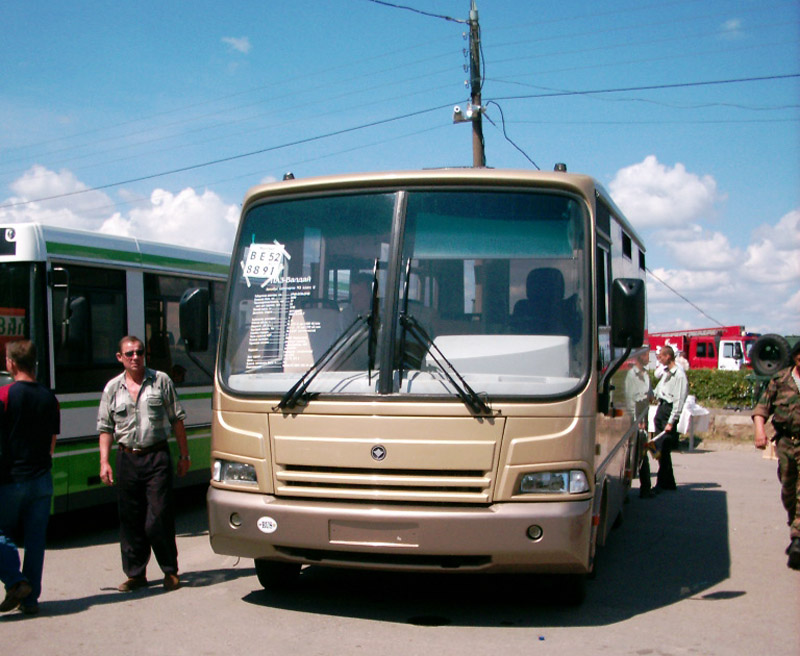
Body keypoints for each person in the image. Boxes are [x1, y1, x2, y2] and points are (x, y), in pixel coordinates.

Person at [97, 336, 190, 592]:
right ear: (120, 358)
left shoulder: (161, 381)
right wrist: (104, 461)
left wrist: (184, 455)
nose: (135, 357)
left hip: (157, 456)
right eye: (129, 354)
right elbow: (105, 428)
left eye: (139, 352)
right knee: (130, 519)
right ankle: (136, 574)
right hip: (127, 457)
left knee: (158, 517)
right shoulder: (112, 389)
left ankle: (170, 571)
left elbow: (177, 420)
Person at [0, 340, 60, 616]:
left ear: (11, 363)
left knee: (2, 533)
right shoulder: (50, 398)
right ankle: (30, 599)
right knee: (35, 541)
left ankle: (15, 580)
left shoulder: (4, 395)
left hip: (11, 478)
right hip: (42, 479)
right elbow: (51, 442)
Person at [752, 340, 800, 570]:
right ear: (796, 358)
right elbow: (762, 409)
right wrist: (760, 431)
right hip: (787, 442)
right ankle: (794, 523)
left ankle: (798, 538)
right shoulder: (780, 380)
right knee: (789, 487)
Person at [650, 345, 688, 492]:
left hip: (669, 411)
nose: (659, 359)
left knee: (663, 449)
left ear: (668, 357)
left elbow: (679, 400)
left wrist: (671, 421)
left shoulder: (679, 375)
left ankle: (661, 483)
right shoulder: (667, 372)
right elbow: (660, 389)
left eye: (661, 356)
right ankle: (669, 483)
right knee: (660, 449)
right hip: (662, 407)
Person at [625, 354, 654, 498]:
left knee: (642, 454)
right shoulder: (631, 375)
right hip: (635, 422)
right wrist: (635, 421)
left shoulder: (646, 374)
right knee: (630, 456)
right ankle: (629, 491)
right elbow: (629, 400)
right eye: (645, 355)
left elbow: (649, 396)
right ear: (638, 357)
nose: (649, 357)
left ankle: (646, 488)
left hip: (643, 421)